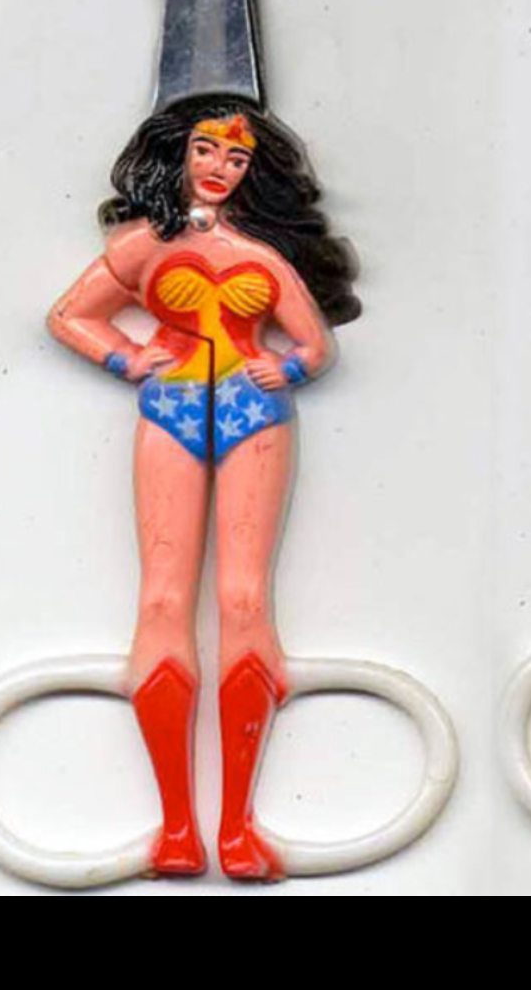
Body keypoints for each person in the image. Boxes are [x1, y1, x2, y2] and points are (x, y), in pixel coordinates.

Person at [46, 97, 360, 879]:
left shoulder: (265, 255)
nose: (220, 167)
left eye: (237, 157)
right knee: (160, 603)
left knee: (245, 601)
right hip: (172, 411)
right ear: (178, 155)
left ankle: (240, 828)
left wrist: (286, 367)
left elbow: (315, 345)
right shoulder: (143, 245)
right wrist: (125, 358)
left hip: (256, 416)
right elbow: (70, 316)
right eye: (206, 150)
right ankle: (178, 831)